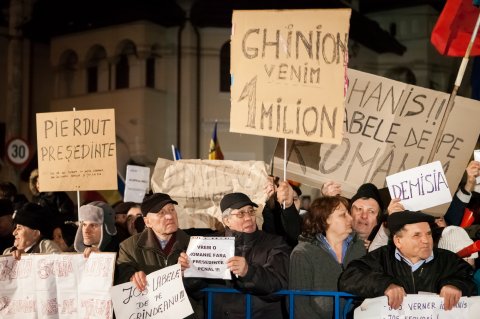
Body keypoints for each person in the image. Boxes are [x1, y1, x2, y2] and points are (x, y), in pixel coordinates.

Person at [179, 192, 291, 319]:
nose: (249, 218)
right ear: (227, 221)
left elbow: (279, 283)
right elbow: (196, 291)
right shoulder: (207, 244)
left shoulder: (275, 243)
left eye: (251, 212)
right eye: (241, 214)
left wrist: (249, 272)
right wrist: (188, 272)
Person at [338, 210, 476, 311]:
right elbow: (349, 277)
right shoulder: (381, 258)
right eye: (417, 235)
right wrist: (385, 285)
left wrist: (455, 285)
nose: (426, 240)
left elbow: (470, 279)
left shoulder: (448, 259)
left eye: (428, 234)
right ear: (398, 241)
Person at [289, 196, 366, 318]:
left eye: (348, 213)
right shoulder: (303, 253)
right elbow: (298, 305)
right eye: (343, 215)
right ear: (325, 219)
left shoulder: (359, 248)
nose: (351, 218)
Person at [115, 193, 190, 287]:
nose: (170, 216)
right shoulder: (128, 247)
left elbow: (200, 292)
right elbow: (122, 278)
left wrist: (187, 275)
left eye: (172, 210)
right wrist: (132, 278)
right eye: (161, 213)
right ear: (147, 222)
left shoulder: (191, 245)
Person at [349, 183, 385, 247]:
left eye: (371, 211)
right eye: (359, 209)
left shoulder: (385, 252)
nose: (364, 216)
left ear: (378, 220)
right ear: (349, 214)